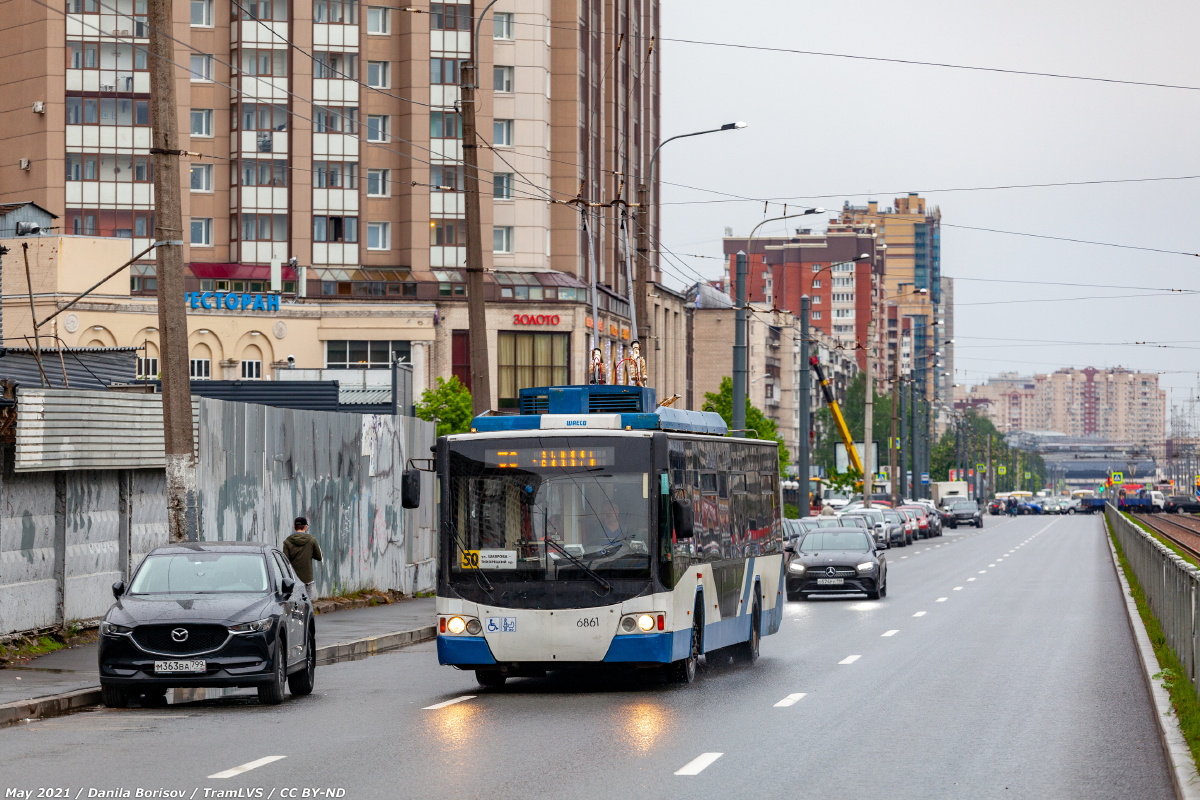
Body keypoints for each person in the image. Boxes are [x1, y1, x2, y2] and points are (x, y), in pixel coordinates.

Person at [283, 516, 323, 600]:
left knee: (294, 605)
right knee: (308, 605)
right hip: (307, 578)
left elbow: (285, 562)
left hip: (293, 580)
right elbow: (319, 557)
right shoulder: (312, 540)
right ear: (305, 527)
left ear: (294, 527)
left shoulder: (287, 541)